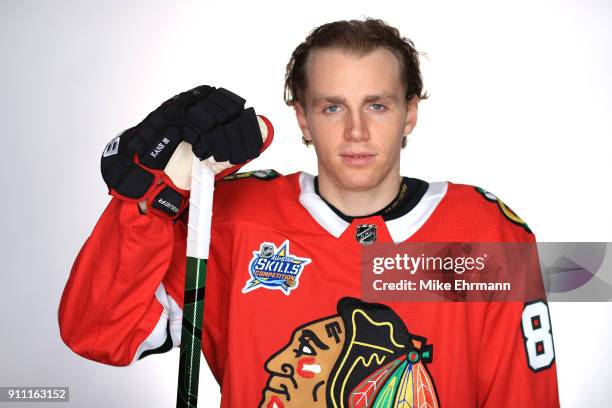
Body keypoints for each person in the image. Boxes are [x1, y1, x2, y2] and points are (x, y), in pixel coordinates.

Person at [58, 18, 559, 407]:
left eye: (378, 106)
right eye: (332, 107)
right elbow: (97, 333)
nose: (357, 131)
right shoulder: (231, 219)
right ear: (302, 116)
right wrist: (151, 199)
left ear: (411, 112)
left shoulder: (486, 235)